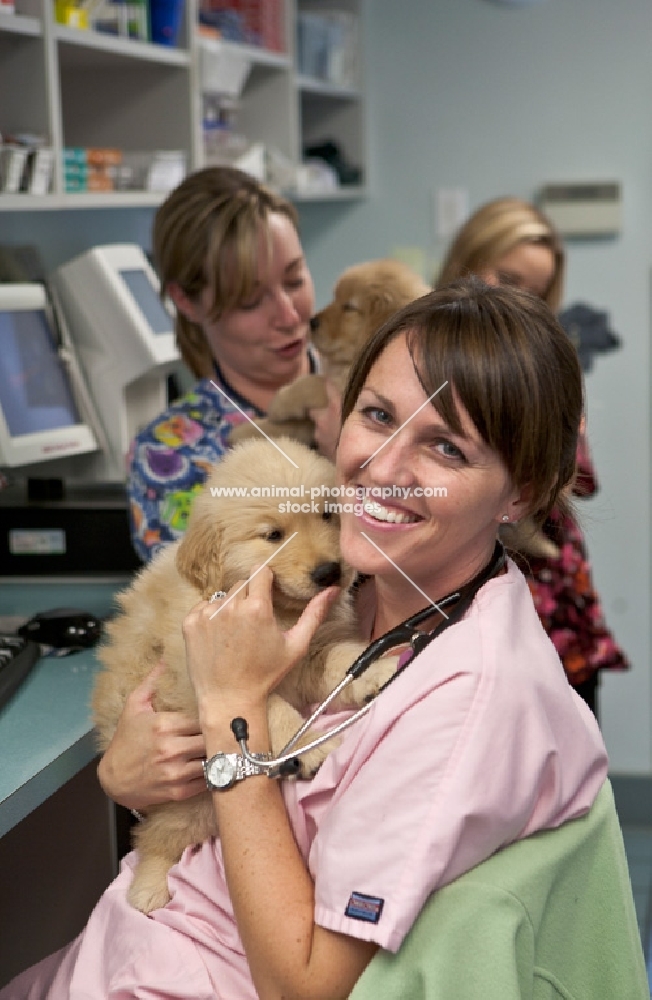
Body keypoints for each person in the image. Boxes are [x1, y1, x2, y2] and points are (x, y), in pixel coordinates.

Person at [1, 279, 611, 1000]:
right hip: (148, 937)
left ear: (522, 490)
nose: (382, 468)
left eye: (445, 447)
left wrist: (233, 713)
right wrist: (131, 774)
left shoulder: (464, 704)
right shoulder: (380, 591)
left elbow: (304, 986)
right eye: (378, 414)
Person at [437, 197, 629, 715]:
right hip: (467, 600)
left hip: (555, 603)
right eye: (509, 277)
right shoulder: (423, 355)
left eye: (539, 293)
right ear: (465, 262)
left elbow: (578, 479)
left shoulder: (539, 362)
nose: (523, 300)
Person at [127, 165, 340, 563]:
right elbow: (206, 607)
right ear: (187, 301)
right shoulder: (174, 454)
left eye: (294, 281)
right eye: (250, 301)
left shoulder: (372, 385)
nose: (289, 315)